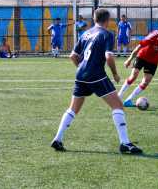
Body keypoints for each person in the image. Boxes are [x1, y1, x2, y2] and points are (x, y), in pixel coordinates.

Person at [51, 8, 142, 154]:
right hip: (97, 75)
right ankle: (125, 143)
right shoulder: (107, 34)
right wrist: (115, 74)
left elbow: (72, 56)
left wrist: (83, 69)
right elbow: (109, 57)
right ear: (108, 20)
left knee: (73, 109)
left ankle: (57, 139)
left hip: (80, 75)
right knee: (118, 105)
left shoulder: (85, 33)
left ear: (94, 19)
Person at [118, 20, 158, 107]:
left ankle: (129, 100)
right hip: (142, 56)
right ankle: (119, 96)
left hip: (153, 61)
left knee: (145, 82)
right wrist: (129, 59)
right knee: (134, 75)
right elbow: (139, 47)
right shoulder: (153, 35)